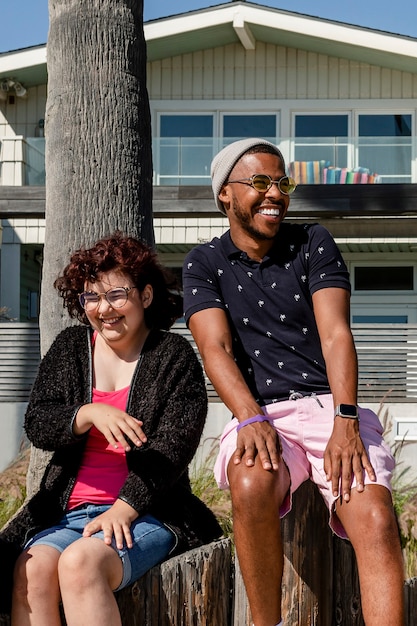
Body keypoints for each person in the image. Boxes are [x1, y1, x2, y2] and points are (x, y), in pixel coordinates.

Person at [182, 138, 405, 626]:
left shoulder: (313, 242)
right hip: (261, 413)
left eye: (282, 183)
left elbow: (335, 333)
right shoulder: (204, 263)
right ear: (224, 193)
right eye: (259, 181)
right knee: (249, 481)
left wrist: (346, 420)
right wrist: (249, 417)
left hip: (330, 408)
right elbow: (214, 349)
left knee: (375, 517)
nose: (275, 193)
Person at [0, 232, 221, 626]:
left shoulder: (173, 357)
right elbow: (38, 421)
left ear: (146, 296)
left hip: (147, 513)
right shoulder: (71, 347)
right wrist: (86, 414)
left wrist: (124, 508)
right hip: (68, 514)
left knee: (80, 564)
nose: (104, 309)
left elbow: (174, 448)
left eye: (117, 294)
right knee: (29, 571)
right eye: (91, 297)